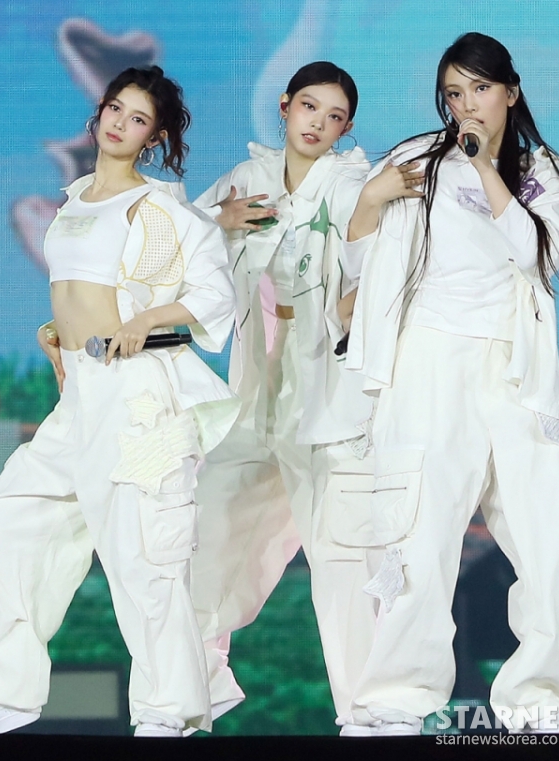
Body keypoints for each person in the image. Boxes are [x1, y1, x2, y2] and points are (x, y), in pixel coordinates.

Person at [0, 66, 236, 737]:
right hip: (79, 394)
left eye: (137, 119)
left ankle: (167, 713)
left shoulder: (163, 209)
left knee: (144, 557)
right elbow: (78, 289)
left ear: (154, 137)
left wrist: (146, 319)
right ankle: (3, 698)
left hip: (138, 394)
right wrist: (56, 330)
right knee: (2, 529)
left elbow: (213, 296)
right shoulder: (75, 200)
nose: (118, 123)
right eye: (114, 108)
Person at [339, 32, 559, 734]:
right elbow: (359, 262)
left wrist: (487, 169)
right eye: (454, 93)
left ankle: (544, 698)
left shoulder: (545, 171)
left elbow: (538, 254)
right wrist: (369, 199)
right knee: (418, 533)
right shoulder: (416, 159)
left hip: (514, 369)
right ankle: (397, 697)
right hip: (430, 358)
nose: (467, 105)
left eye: (480, 89)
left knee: (558, 536)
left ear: (510, 92)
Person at [188, 61, 376, 735]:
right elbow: (174, 243)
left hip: (326, 390)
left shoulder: (351, 183)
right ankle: (187, 694)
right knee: (206, 531)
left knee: (342, 557)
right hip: (256, 387)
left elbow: (378, 256)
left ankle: (366, 712)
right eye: (309, 107)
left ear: (346, 128)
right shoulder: (247, 179)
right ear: (284, 106)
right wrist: (217, 219)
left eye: (334, 116)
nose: (319, 123)